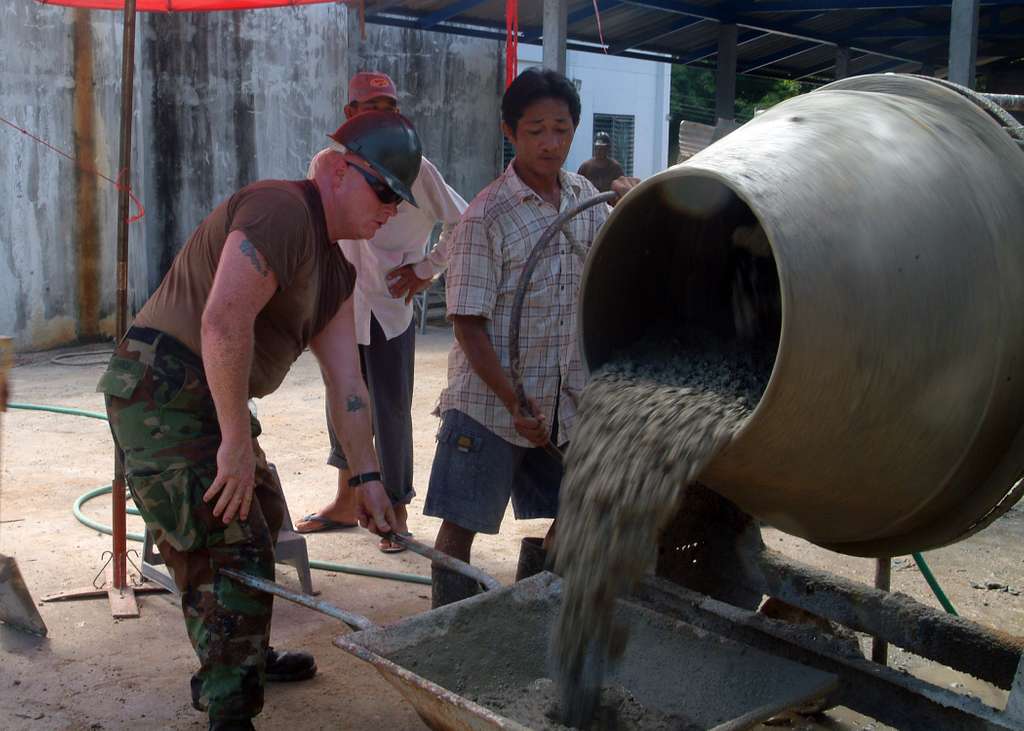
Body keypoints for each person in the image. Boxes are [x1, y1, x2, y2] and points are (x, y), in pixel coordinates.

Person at [96, 111, 422, 731]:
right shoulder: (281, 208)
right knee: (228, 537)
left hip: (208, 395)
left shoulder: (338, 273)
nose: (390, 209)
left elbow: (348, 388)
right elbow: (223, 322)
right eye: (382, 190)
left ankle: (243, 655)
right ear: (334, 169)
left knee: (264, 512)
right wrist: (236, 445)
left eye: (399, 200)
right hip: (159, 387)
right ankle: (229, 705)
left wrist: (368, 480)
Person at [424, 68, 637, 607]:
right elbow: (468, 322)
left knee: (579, 508)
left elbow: (612, 268)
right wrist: (511, 398)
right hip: (491, 405)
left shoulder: (585, 196)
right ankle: (448, 628)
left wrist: (631, 203)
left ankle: (536, 611)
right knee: (461, 523)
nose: (550, 143)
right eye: (536, 130)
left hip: (562, 401)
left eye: (561, 130)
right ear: (510, 133)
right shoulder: (484, 217)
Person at [295, 72, 468, 554]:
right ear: (350, 115)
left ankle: (396, 507)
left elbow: (468, 220)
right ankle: (347, 499)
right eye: (372, 106)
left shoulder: (417, 168)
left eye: (391, 107)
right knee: (342, 399)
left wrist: (426, 268)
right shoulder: (328, 164)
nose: (384, 115)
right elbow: (317, 225)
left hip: (390, 306)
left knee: (390, 408)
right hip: (339, 304)